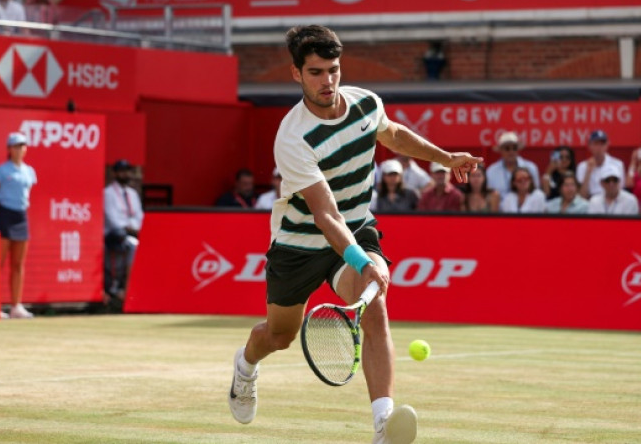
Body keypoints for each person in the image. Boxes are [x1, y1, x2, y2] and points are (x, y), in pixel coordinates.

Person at [228, 25, 480, 444]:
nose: (327, 81)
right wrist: (364, 262)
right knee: (279, 336)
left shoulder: (365, 104)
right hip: (300, 243)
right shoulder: (293, 137)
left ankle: (383, 424)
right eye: (316, 73)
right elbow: (325, 215)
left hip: (357, 223)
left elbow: (393, 134)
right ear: (296, 74)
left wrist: (444, 158)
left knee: (375, 302)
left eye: (333, 70)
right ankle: (244, 367)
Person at [0, 132, 38, 319]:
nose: (19, 149)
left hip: (21, 217)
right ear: (9, 149)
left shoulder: (30, 172)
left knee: (18, 264)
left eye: (22, 145)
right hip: (3, 216)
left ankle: (16, 306)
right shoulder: (1, 170)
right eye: (16, 146)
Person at [104, 159, 144, 301]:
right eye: (121, 171)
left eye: (127, 170)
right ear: (114, 173)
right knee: (134, 245)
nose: (125, 174)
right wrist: (134, 230)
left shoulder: (132, 193)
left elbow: (140, 216)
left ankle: (140, 288)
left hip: (134, 233)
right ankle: (126, 289)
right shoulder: (108, 193)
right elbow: (114, 221)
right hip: (115, 235)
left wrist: (139, 230)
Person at [485, 131, 540, 196]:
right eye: (507, 149)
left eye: (514, 148)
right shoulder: (491, 171)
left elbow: (536, 192)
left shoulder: (531, 168)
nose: (511, 152)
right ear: (501, 150)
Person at [576, 129, 625, 199]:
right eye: (596, 144)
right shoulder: (582, 166)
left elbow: (620, 189)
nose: (599, 147)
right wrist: (588, 172)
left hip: (611, 199)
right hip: (589, 200)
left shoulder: (617, 164)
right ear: (590, 146)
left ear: (607, 145)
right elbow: (582, 196)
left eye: (602, 144)